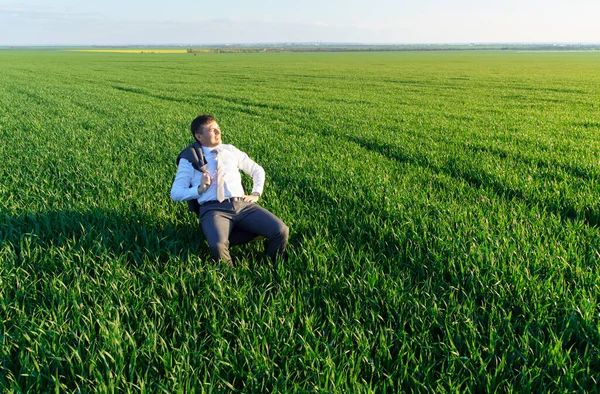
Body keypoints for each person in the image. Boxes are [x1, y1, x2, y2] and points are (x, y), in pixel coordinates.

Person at [170, 114, 289, 266]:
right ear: (199, 136)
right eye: (212, 130)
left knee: (281, 230)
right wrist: (199, 189)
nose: (218, 133)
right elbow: (176, 193)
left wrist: (256, 193)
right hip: (213, 209)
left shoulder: (230, 150)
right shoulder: (189, 158)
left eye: (218, 129)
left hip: (243, 205)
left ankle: (275, 265)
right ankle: (229, 277)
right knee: (218, 245)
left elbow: (257, 170)